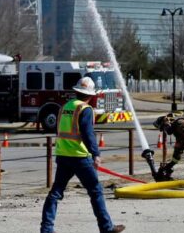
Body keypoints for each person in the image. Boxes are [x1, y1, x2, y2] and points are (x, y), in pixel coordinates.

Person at [41, 77, 125, 233]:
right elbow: (88, 134)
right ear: (90, 95)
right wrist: (96, 154)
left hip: (63, 155)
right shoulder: (85, 109)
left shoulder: (65, 107)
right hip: (80, 157)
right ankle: (106, 227)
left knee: (55, 193)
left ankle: (46, 229)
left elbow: (59, 130)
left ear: (76, 91)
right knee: (95, 191)